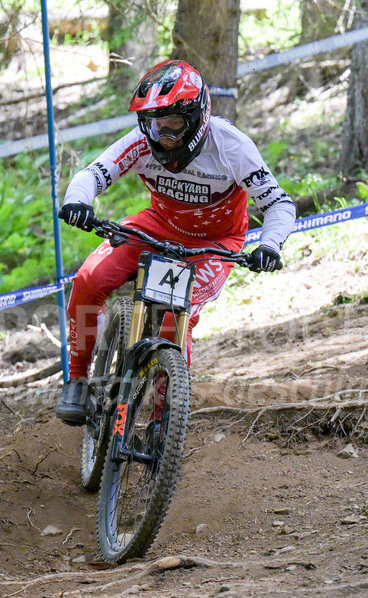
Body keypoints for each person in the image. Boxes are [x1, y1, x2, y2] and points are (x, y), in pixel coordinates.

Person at [56, 59, 296, 426]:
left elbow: (278, 203)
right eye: (154, 124)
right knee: (89, 279)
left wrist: (270, 244)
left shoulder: (231, 146)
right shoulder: (141, 142)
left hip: (216, 243)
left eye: (174, 125)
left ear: (198, 117)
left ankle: (164, 419)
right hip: (157, 226)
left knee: (174, 315)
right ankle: (77, 378)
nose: (162, 135)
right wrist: (78, 202)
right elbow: (94, 173)